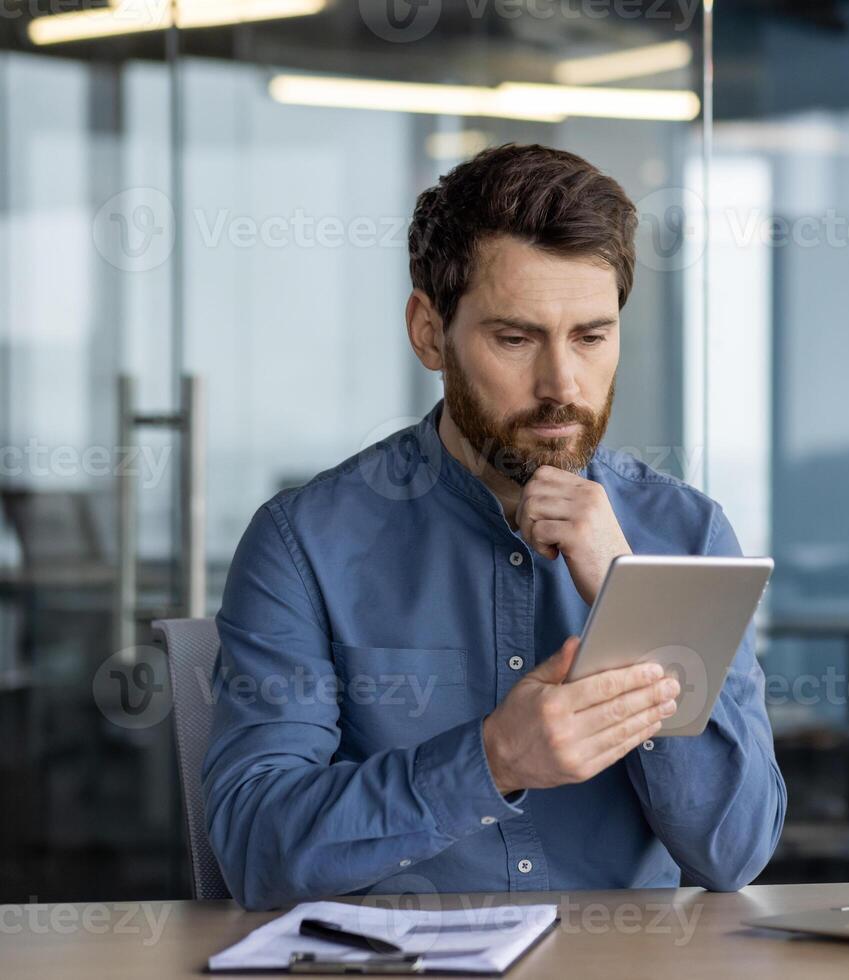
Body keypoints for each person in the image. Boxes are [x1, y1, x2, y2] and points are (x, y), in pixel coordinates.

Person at [202, 143, 786, 911]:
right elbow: (257, 849)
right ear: (428, 332)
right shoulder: (304, 544)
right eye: (515, 339)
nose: (561, 386)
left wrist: (634, 605)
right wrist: (493, 758)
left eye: (591, 336)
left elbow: (735, 853)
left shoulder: (686, 531)